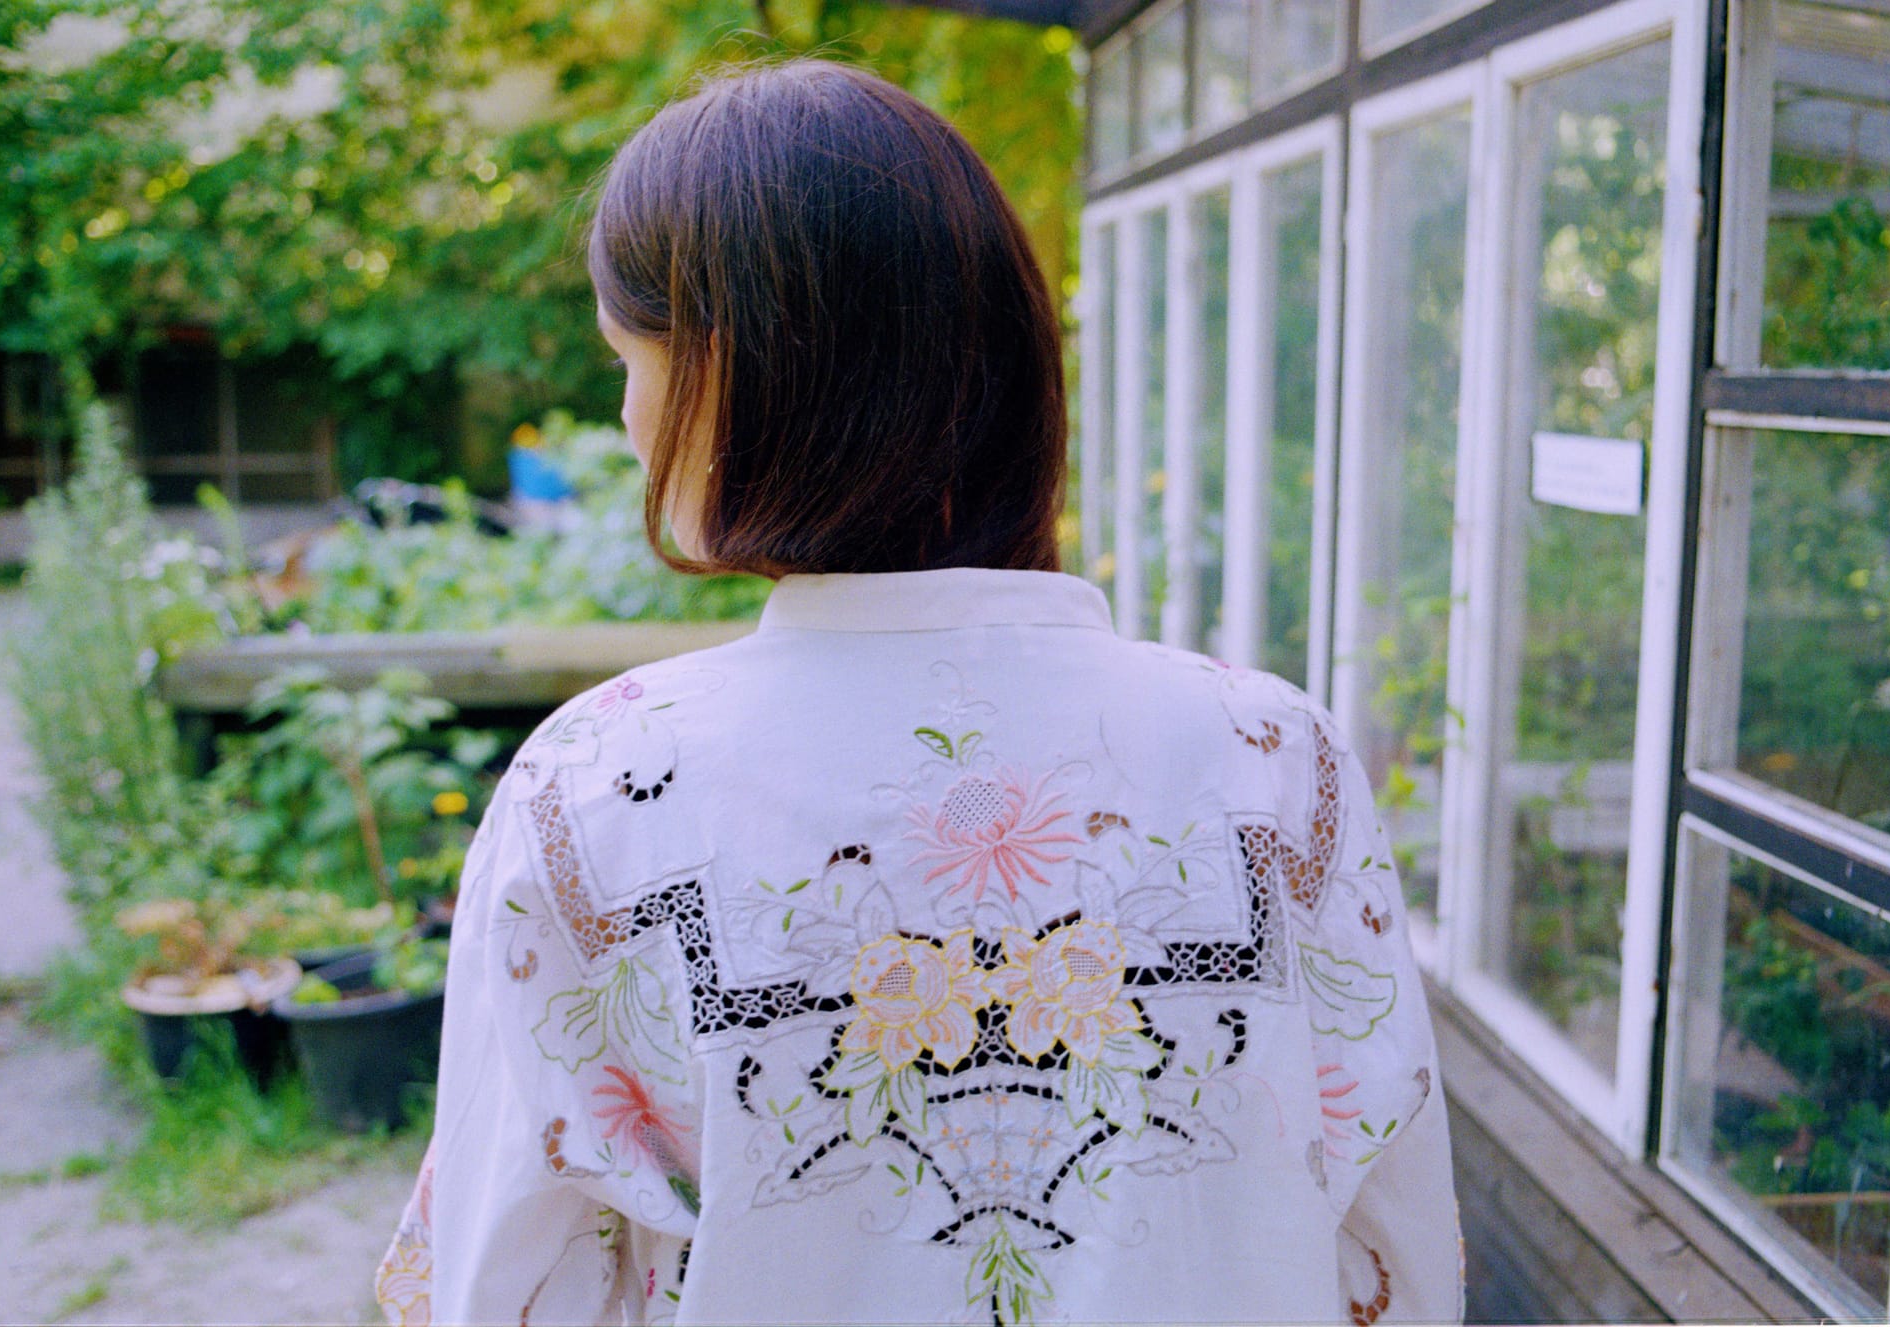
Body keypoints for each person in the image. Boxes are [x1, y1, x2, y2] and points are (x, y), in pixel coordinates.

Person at [376, 58, 1462, 1327]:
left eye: (631, 360)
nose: (625, 419)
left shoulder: (596, 788)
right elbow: (1390, 1260)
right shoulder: (1276, 761)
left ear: (730, 374)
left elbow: (506, 1283)